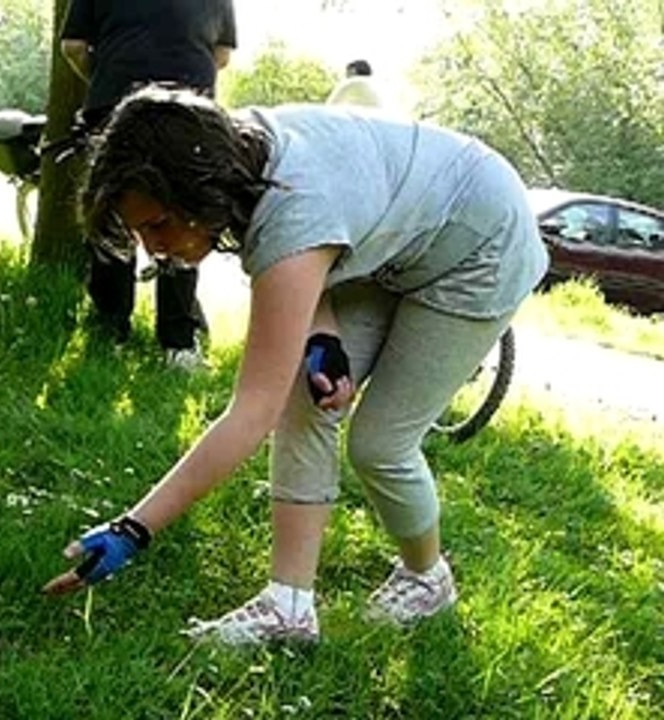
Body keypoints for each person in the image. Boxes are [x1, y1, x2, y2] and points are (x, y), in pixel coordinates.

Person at [43, 85, 549, 644]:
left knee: (380, 445)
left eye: (158, 224)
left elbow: (250, 410)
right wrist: (323, 335)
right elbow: (326, 244)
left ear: (200, 188)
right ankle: (288, 606)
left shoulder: (290, 205)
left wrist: (132, 530)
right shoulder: (241, 158)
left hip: (483, 245)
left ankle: (427, 578)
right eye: (140, 231)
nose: (153, 247)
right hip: (399, 243)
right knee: (305, 395)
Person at [60, 0, 237, 370]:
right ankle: (178, 344)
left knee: (113, 217)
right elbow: (221, 53)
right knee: (185, 214)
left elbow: (73, 47)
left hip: (115, 97)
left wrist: (110, 76)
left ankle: (109, 333)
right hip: (190, 108)